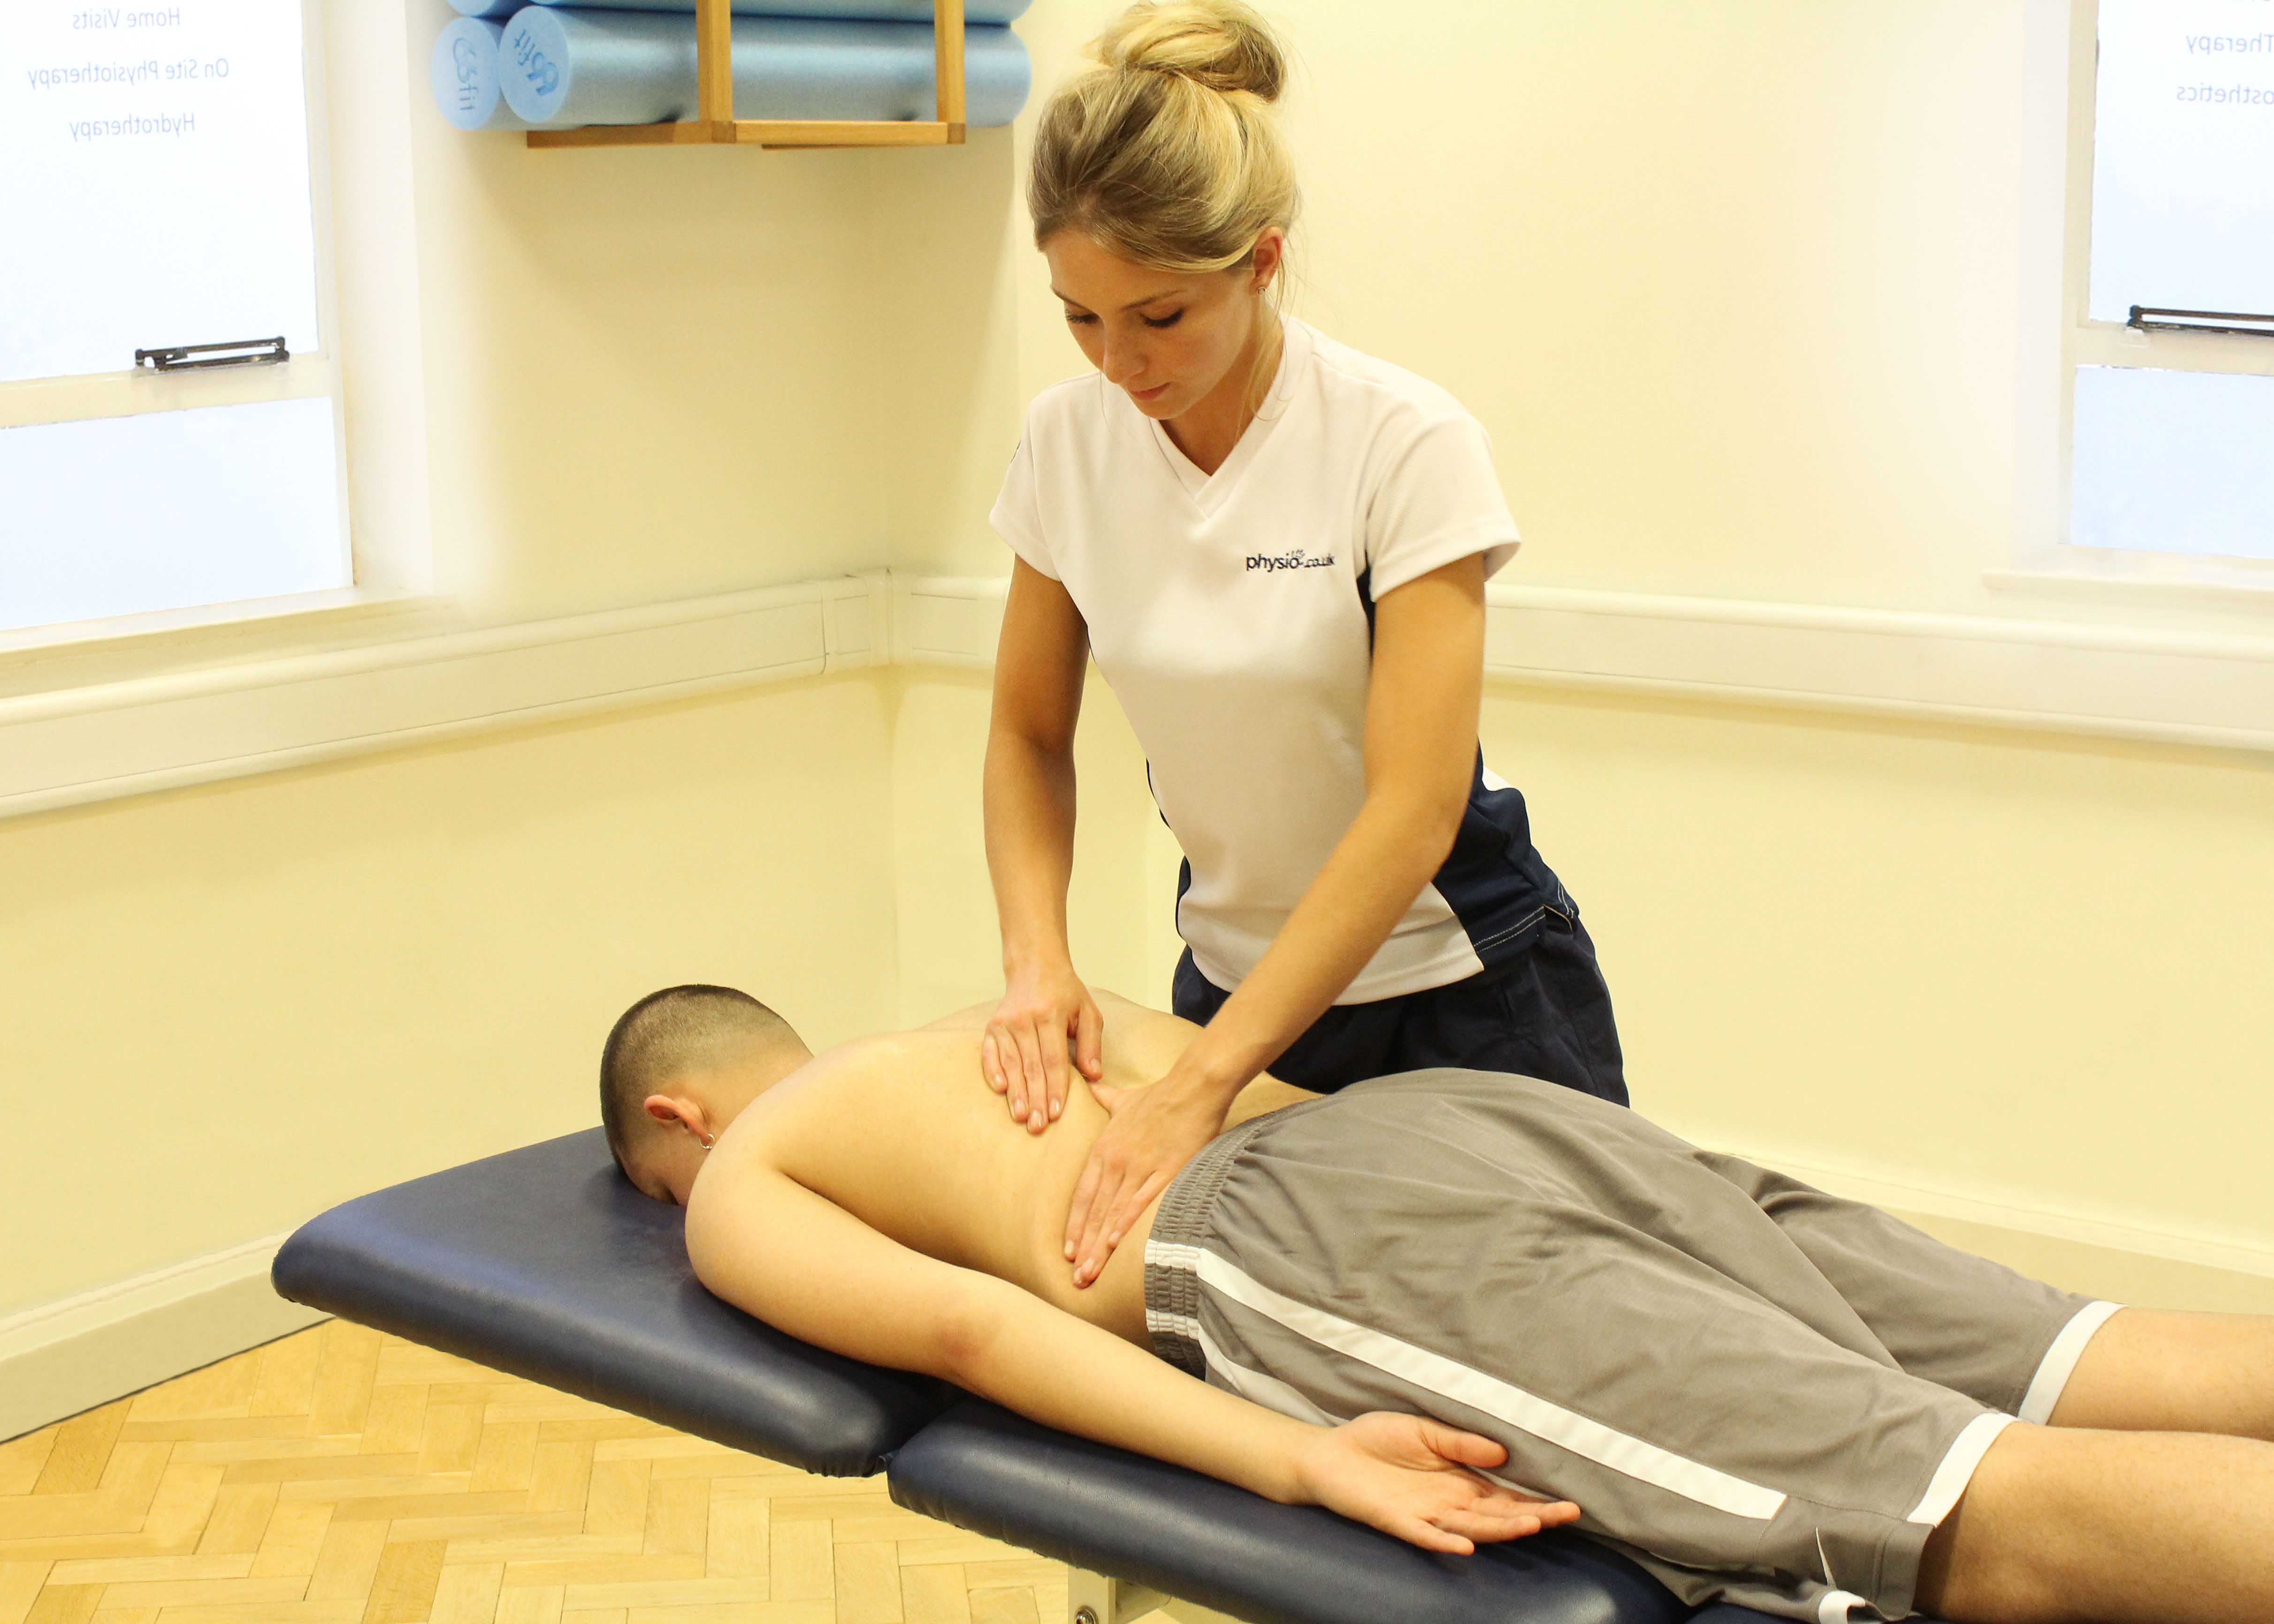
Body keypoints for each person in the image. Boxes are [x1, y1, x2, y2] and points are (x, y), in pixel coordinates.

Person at [598, 983, 2274, 1624]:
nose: (689, 1222)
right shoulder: (996, 1015)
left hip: (1317, 1230)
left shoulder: (746, 1180)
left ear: (678, 1120)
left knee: (1959, 1510)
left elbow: (982, 1334)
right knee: (2087, 1355)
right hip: (1460, 1117)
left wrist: (1300, 1460)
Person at [980, 0, 1623, 1290]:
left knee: (1551, 1364)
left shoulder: (1400, 442)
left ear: (1262, 262)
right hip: (1228, 987)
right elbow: (1026, 731)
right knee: (1284, 1369)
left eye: (1159, 317)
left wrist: (1205, 1085)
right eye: (1081, 319)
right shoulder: (1066, 444)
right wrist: (1037, 961)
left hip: (1462, 991)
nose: (1120, 362)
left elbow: (1415, 807)